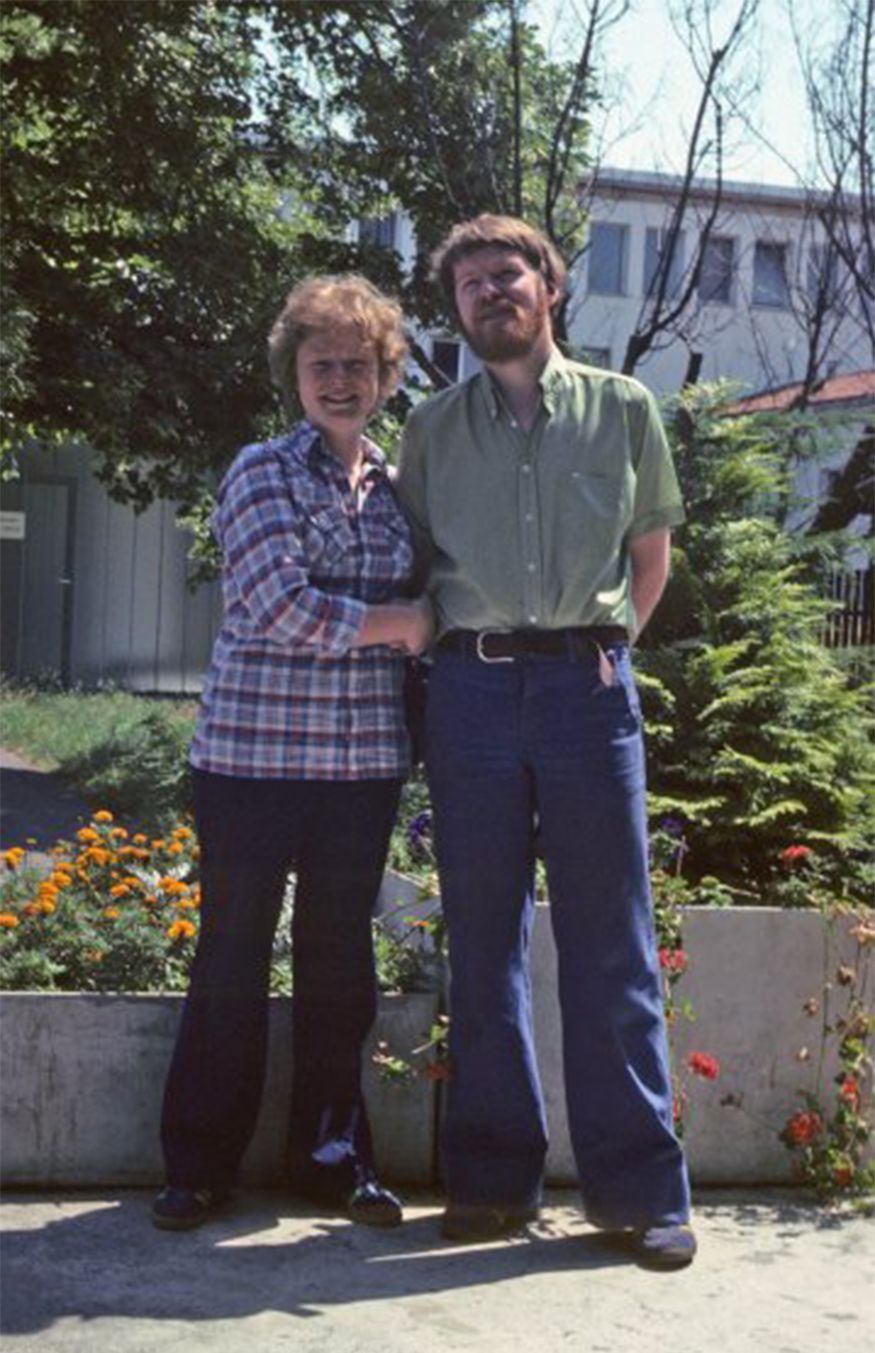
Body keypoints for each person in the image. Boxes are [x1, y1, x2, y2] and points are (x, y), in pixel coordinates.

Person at [396, 216, 695, 1268]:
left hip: (585, 695)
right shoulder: (429, 429)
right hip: (470, 698)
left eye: (506, 274)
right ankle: (490, 1182)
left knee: (611, 945)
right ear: (457, 308)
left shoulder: (622, 409)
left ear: (548, 288)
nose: (489, 292)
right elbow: (415, 567)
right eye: (469, 283)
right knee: (482, 942)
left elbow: (649, 558)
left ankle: (639, 1195)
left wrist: (601, 657)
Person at [152, 275, 431, 1232]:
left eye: (358, 363)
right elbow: (278, 606)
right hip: (252, 761)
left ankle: (332, 1160)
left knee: (339, 966)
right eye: (322, 364)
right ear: (294, 375)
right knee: (232, 954)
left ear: (385, 375)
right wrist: (401, 622)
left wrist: (412, 623)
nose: (340, 380)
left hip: (362, 766)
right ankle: (199, 1165)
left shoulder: (397, 486)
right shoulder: (260, 470)